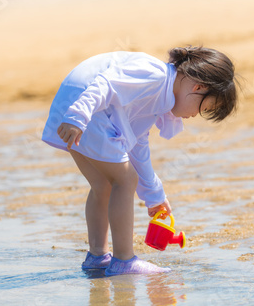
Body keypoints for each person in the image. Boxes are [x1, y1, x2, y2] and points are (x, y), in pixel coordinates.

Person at [42, 46, 239, 276]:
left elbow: (136, 146)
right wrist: (79, 115)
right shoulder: (155, 75)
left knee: (104, 184)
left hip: (78, 106)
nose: (195, 116)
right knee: (125, 180)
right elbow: (106, 84)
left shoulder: (159, 98)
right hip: (85, 106)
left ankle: (97, 256)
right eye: (202, 108)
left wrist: (155, 196)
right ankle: (124, 260)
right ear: (198, 88)